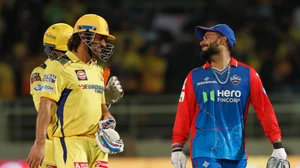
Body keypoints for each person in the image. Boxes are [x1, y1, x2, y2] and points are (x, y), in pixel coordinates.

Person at [171, 24, 288, 168]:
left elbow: (265, 110)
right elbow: (184, 113)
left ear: (222, 40)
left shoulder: (247, 75)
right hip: (204, 151)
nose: (202, 42)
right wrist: (177, 146)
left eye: (207, 37)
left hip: (236, 154)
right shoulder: (194, 76)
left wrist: (277, 144)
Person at [27, 14, 123, 168]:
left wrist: (107, 115)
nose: (104, 44)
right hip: (65, 141)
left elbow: (101, 108)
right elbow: (44, 108)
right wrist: (40, 143)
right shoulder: (55, 69)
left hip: (97, 143)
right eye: (101, 38)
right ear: (85, 37)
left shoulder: (98, 70)